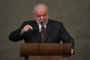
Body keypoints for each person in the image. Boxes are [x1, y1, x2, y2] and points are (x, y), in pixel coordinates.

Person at [9, 3, 75, 60]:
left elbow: (69, 41)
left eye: (44, 15)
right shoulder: (27, 24)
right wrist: (22, 30)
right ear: (34, 16)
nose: (42, 18)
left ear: (47, 13)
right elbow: (12, 38)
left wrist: (71, 49)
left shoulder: (58, 25)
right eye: (39, 16)